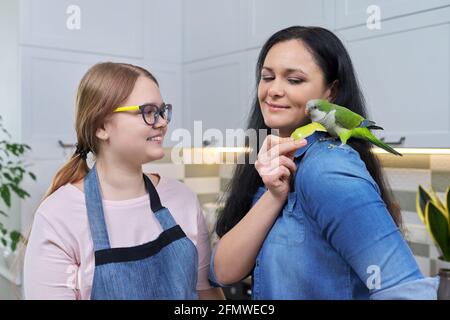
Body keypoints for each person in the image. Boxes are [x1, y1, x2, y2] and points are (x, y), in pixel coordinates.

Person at [210, 26, 438, 299]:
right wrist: (274, 196)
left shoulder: (327, 168)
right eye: (267, 77)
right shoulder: (273, 163)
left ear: (331, 91)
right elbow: (222, 271)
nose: (273, 90)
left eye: (294, 80)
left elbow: (406, 290)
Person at [24, 62, 224, 300]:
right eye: (148, 112)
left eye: (162, 111)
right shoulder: (58, 216)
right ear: (101, 127)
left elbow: (205, 293)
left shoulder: (183, 199)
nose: (162, 122)